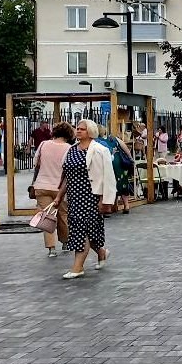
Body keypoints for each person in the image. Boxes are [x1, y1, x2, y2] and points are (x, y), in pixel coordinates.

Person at [52, 118, 116, 280]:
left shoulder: (100, 150)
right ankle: (101, 253)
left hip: (91, 197)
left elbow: (107, 176)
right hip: (74, 198)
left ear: (91, 132)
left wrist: (105, 199)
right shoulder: (71, 150)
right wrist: (59, 196)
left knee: (81, 231)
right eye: (77, 128)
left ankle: (77, 267)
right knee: (88, 231)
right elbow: (67, 176)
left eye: (82, 129)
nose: (78, 131)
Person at [31, 121, 74, 257]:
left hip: (42, 185)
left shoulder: (43, 145)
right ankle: (66, 242)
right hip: (60, 188)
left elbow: (36, 163)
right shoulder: (69, 148)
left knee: (46, 216)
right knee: (63, 215)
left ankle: (51, 248)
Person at [97, 125, 134, 214]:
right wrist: (130, 158)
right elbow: (124, 147)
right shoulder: (113, 139)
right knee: (123, 183)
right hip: (119, 163)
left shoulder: (96, 141)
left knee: (108, 185)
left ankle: (108, 208)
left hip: (107, 163)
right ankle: (126, 205)